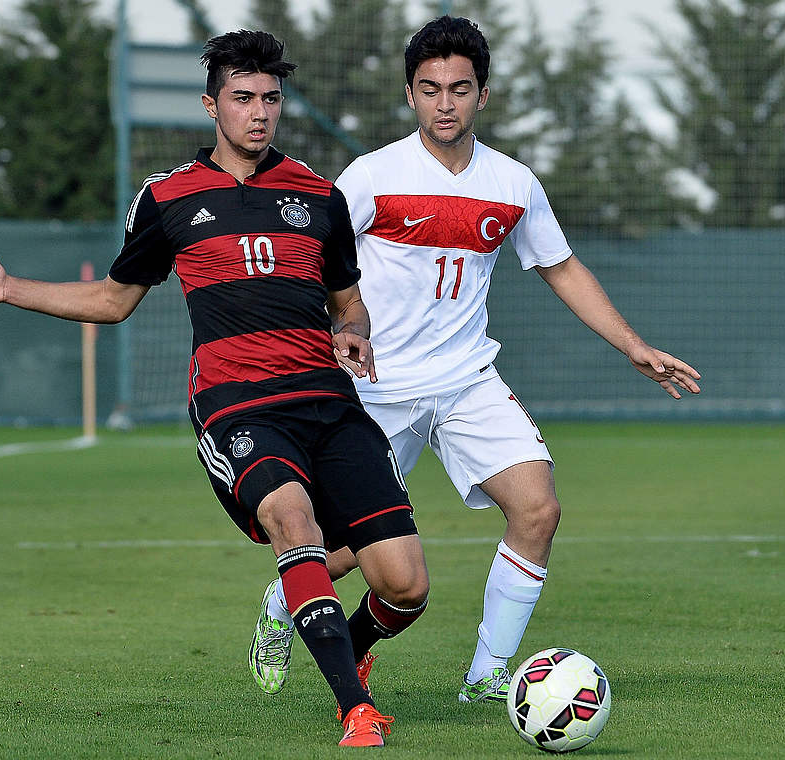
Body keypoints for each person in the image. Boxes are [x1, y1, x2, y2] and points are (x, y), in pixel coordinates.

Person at [0, 30, 428, 748]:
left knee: (404, 585)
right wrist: (10, 289)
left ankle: (334, 639)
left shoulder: (319, 196)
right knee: (295, 523)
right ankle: (355, 708)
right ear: (211, 105)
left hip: (327, 397)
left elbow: (348, 300)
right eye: (242, 98)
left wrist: (355, 328)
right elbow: (110, 300)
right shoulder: (168, 198)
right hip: (236, 403)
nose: (259, 113)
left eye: (270, 99)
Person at [248, 16, 700, 705]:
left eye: (460, 88)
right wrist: (329, 336)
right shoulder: (372, 176)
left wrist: (633, 345)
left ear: (482, 95)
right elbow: (318, 264)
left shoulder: (514, 183)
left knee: (538, 509)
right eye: (430, 89)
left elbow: (562, 266)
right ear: (410, 95)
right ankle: (283, 606)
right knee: (344, 546)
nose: (445, 103)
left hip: (465, 381)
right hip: (375, 387)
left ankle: (487, 673)